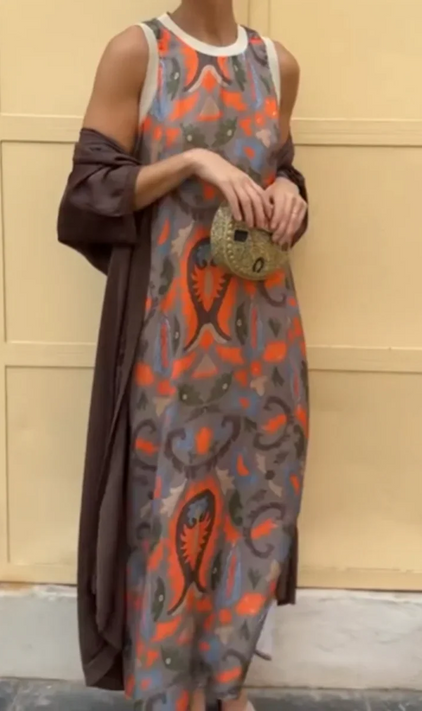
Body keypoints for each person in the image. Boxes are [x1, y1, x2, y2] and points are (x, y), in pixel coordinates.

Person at [65, 1, 309, 709]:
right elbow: (88, 192)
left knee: (256, 498)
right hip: (167, 331)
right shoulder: (137, 53)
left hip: (262, 335)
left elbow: (278, 168)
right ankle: (167, 690)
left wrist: (290, 190)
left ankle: (225, 683)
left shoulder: (277, 66)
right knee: (166, 502)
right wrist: (193, 161)